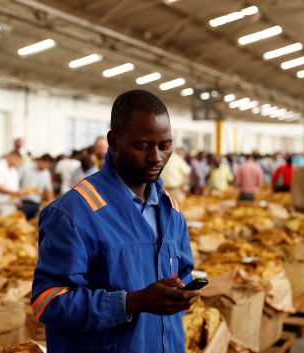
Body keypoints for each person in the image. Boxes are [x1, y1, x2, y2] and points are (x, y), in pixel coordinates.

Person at [31, 90, 201, 353]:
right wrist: (131, 302)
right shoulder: (74, 213)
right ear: (115, 141)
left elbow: (184, 270)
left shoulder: (170, 210)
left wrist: (183, 292)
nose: (156, 157)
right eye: (142, 146)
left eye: (164, 146)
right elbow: (48, 301)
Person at [19, 154, 55, 220]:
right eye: (46, 164)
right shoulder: (26, 167)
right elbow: (17, 182)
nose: (47, 166)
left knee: (31, 225)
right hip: (23, 202)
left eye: (48, 165)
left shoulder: (46, 173)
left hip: (36, 203)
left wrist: (51, 204)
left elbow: (49, 190)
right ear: (40, 161)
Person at [0, 150, 23, 216]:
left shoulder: (14, 170)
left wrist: (18, 199)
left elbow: (15, 187)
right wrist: (15, 193)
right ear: (10, 156)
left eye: (18, 160)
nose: (17, 161)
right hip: (0, 204)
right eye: (16, 159)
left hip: (11, 204)